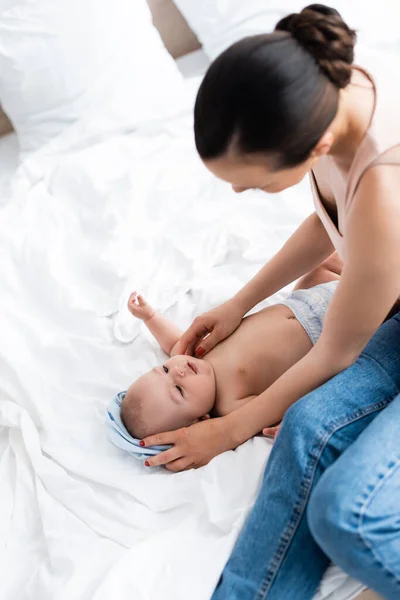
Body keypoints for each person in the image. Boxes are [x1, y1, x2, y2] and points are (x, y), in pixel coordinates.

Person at [139, 4, 400, 598]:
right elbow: (335, 218)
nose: (236, 191)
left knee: (348, 514)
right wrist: (241, 300)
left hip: (379, 318)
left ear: (317, 144)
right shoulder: (337, 87)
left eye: (249, 181)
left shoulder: (388, 190)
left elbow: (335, 351)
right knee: (305, 427)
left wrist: (229, 429)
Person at [111, 258, 339, 446]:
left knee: (322, 264)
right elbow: (277, 405)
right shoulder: (230, 404)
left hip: (302, 299)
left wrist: (150, 317)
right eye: (179, 390)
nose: (178, 372)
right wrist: (286, 423)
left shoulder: (195, 354)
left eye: (164, 369)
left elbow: (173, 343)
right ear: (200, 420)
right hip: (329, 332)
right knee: (365, 292)